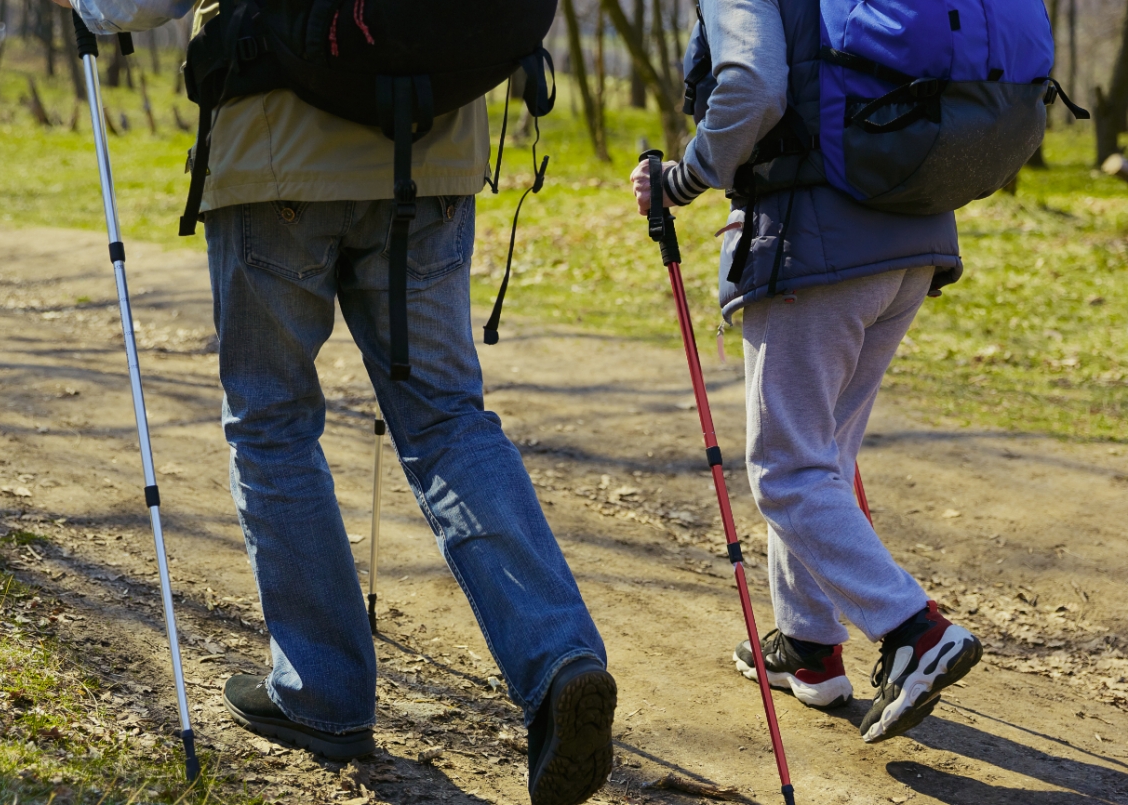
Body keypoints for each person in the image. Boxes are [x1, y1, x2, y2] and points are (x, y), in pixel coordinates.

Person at [59, 0, 616, 800]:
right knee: (448, 420)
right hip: (433, 148)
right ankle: (561, 659)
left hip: (276, 154)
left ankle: (322, 693)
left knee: (273, 423)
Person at [630, 0, 982, 743]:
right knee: (823, 454)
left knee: (786, 470)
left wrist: (682, 180)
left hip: (816, 243)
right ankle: (809, 647)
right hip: (914, 236)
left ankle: (915, 631)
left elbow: (754, 88)